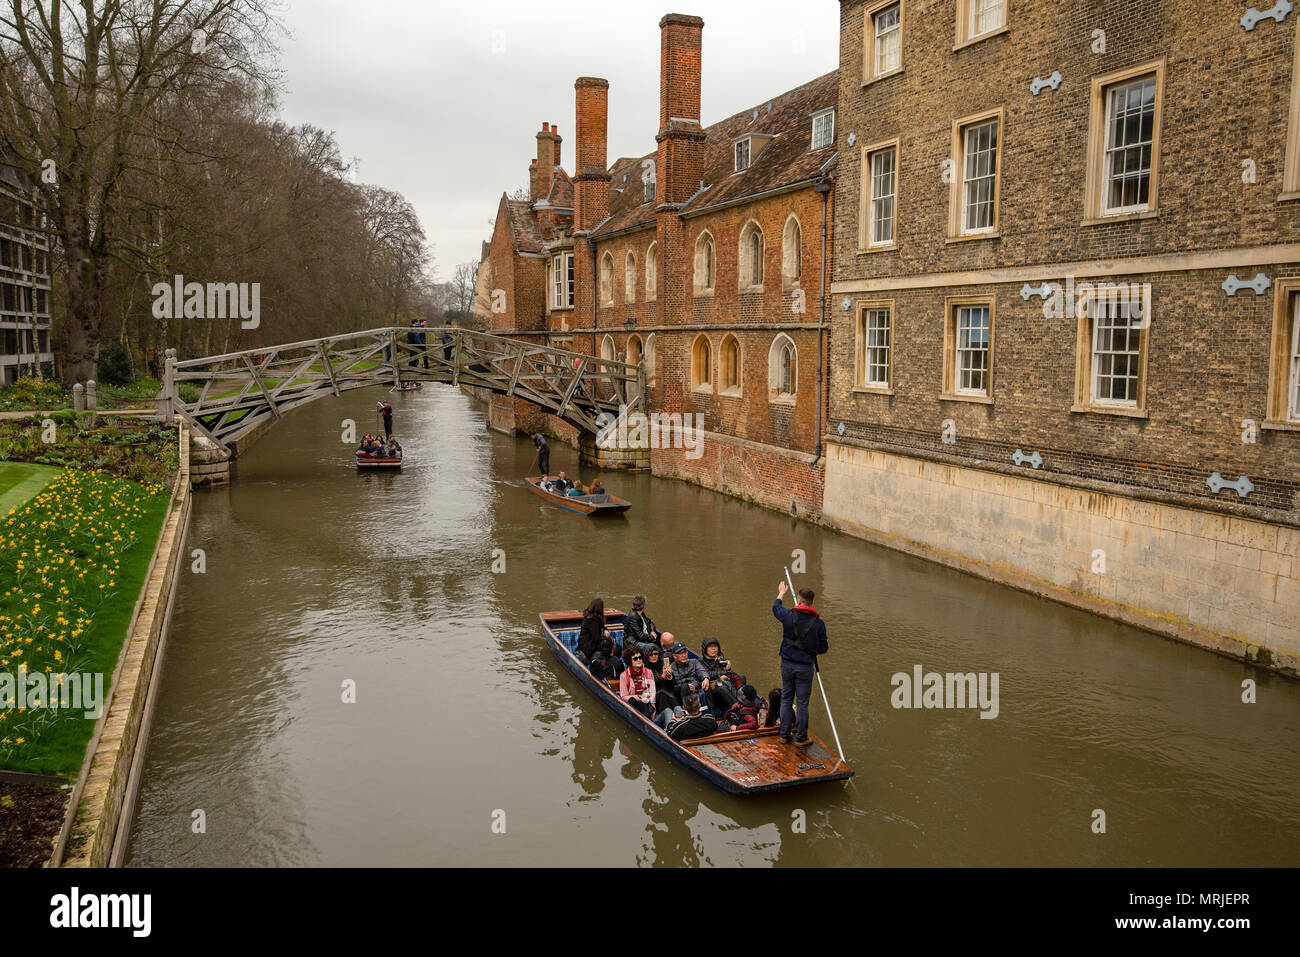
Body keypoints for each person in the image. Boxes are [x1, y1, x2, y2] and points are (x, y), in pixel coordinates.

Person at [773, 580, 829, 747]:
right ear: (811, 603)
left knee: (786, 699)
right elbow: (823, 648)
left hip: (787, 664)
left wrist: (781, 592)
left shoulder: (788, 616)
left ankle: (784, 735)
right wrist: (811, 649)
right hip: (805, 667)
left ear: (798, 600)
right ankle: (801, 738)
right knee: (803, 702)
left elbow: (776, 608)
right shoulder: (818, 624)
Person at [656, 642, 711, 714]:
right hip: (681, 694)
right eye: (681, 653)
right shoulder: (671, 668)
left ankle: (710, 712)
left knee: (708, 686)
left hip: (697, 689)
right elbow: (671, 687)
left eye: (685, 652)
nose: (684, 655)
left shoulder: (694, 662)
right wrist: (668, 676)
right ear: (675, 656)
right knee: (685, 687)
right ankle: (687, 712)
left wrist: (705, 678)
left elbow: (702, 671)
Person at [698, 637, 739, 711]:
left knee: (740, 677)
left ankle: (742, 701)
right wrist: (722, 675)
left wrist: (728, 668)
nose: (713, 649)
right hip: (713, 689)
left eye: (715, 646)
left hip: (724, 683)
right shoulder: (700, 662)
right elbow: (708, 674)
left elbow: (730, 673)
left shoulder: (721, 659)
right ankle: (737, 709)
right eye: (710, 647)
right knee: (722, 688)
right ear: (705, 649)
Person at [619, 645, 656, 720]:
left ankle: (649, 721)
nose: (639, 660)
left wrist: (645, 697)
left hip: (647, 704)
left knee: (644, 703)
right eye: (635, 659)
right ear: (629, 661)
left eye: (640, 657)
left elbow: (653, 693)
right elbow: (623, 697)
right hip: (634, 705)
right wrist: (639, 697)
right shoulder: (623, 676)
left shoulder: (649, 672)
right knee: (634, 700)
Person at [577, 597, 609, 665]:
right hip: (588, 647)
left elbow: (601, 625)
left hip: (585, 644)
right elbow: (596, 638)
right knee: (609, 647)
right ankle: (605, 663)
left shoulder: (591, 616)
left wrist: (605, 629)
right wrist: (607, 639)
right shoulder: (593, 621)